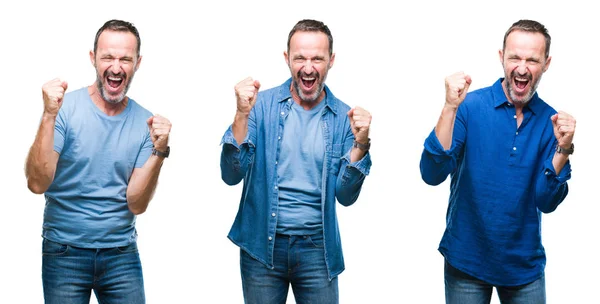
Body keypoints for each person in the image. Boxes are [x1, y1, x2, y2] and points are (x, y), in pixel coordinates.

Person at [420, 19, 576, 303]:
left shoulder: (550, 122)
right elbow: (432, 173)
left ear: (546, 63)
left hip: (523, 267)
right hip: (466, 259)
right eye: (515, 57)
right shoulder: (469, 106)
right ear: (501, 57)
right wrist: (449, 107)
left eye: (532, 60)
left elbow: (546, 201)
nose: (522, 67)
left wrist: (563, 149)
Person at [220, 19, 372, 304]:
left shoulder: (343, 118)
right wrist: (241, 114)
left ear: (331, 61)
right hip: (260, 246)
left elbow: (346, 196)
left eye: (317, 58)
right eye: (300, 57)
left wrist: (361, 145)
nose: (308, 67)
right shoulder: (259, 106)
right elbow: (231, 174)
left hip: (317, 249)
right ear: (287, 59)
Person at [25, 19, 171, 304]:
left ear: (137, 63)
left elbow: (137, 204)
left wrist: (159, 151)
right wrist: (48, 115)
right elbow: (36, 183)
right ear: (93, 58)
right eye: (108, 57)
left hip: (120, 254)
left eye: (125, 59)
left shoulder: (146, 122)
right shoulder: (64, 111)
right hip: (64, 252)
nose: (116, 67)